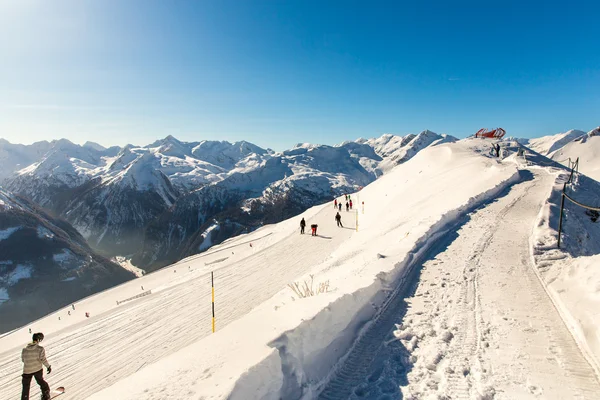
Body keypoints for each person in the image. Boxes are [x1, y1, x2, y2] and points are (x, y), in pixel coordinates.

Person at [21, 332, 51, 400]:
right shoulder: (40, 349)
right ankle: (46, 395)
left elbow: (23, 360)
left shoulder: (24, 350)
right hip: (37, 369)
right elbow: (43, 359)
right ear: (39, 340)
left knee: (26, 387)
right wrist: (48, 366)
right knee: (41, 381)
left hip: (27, 371)